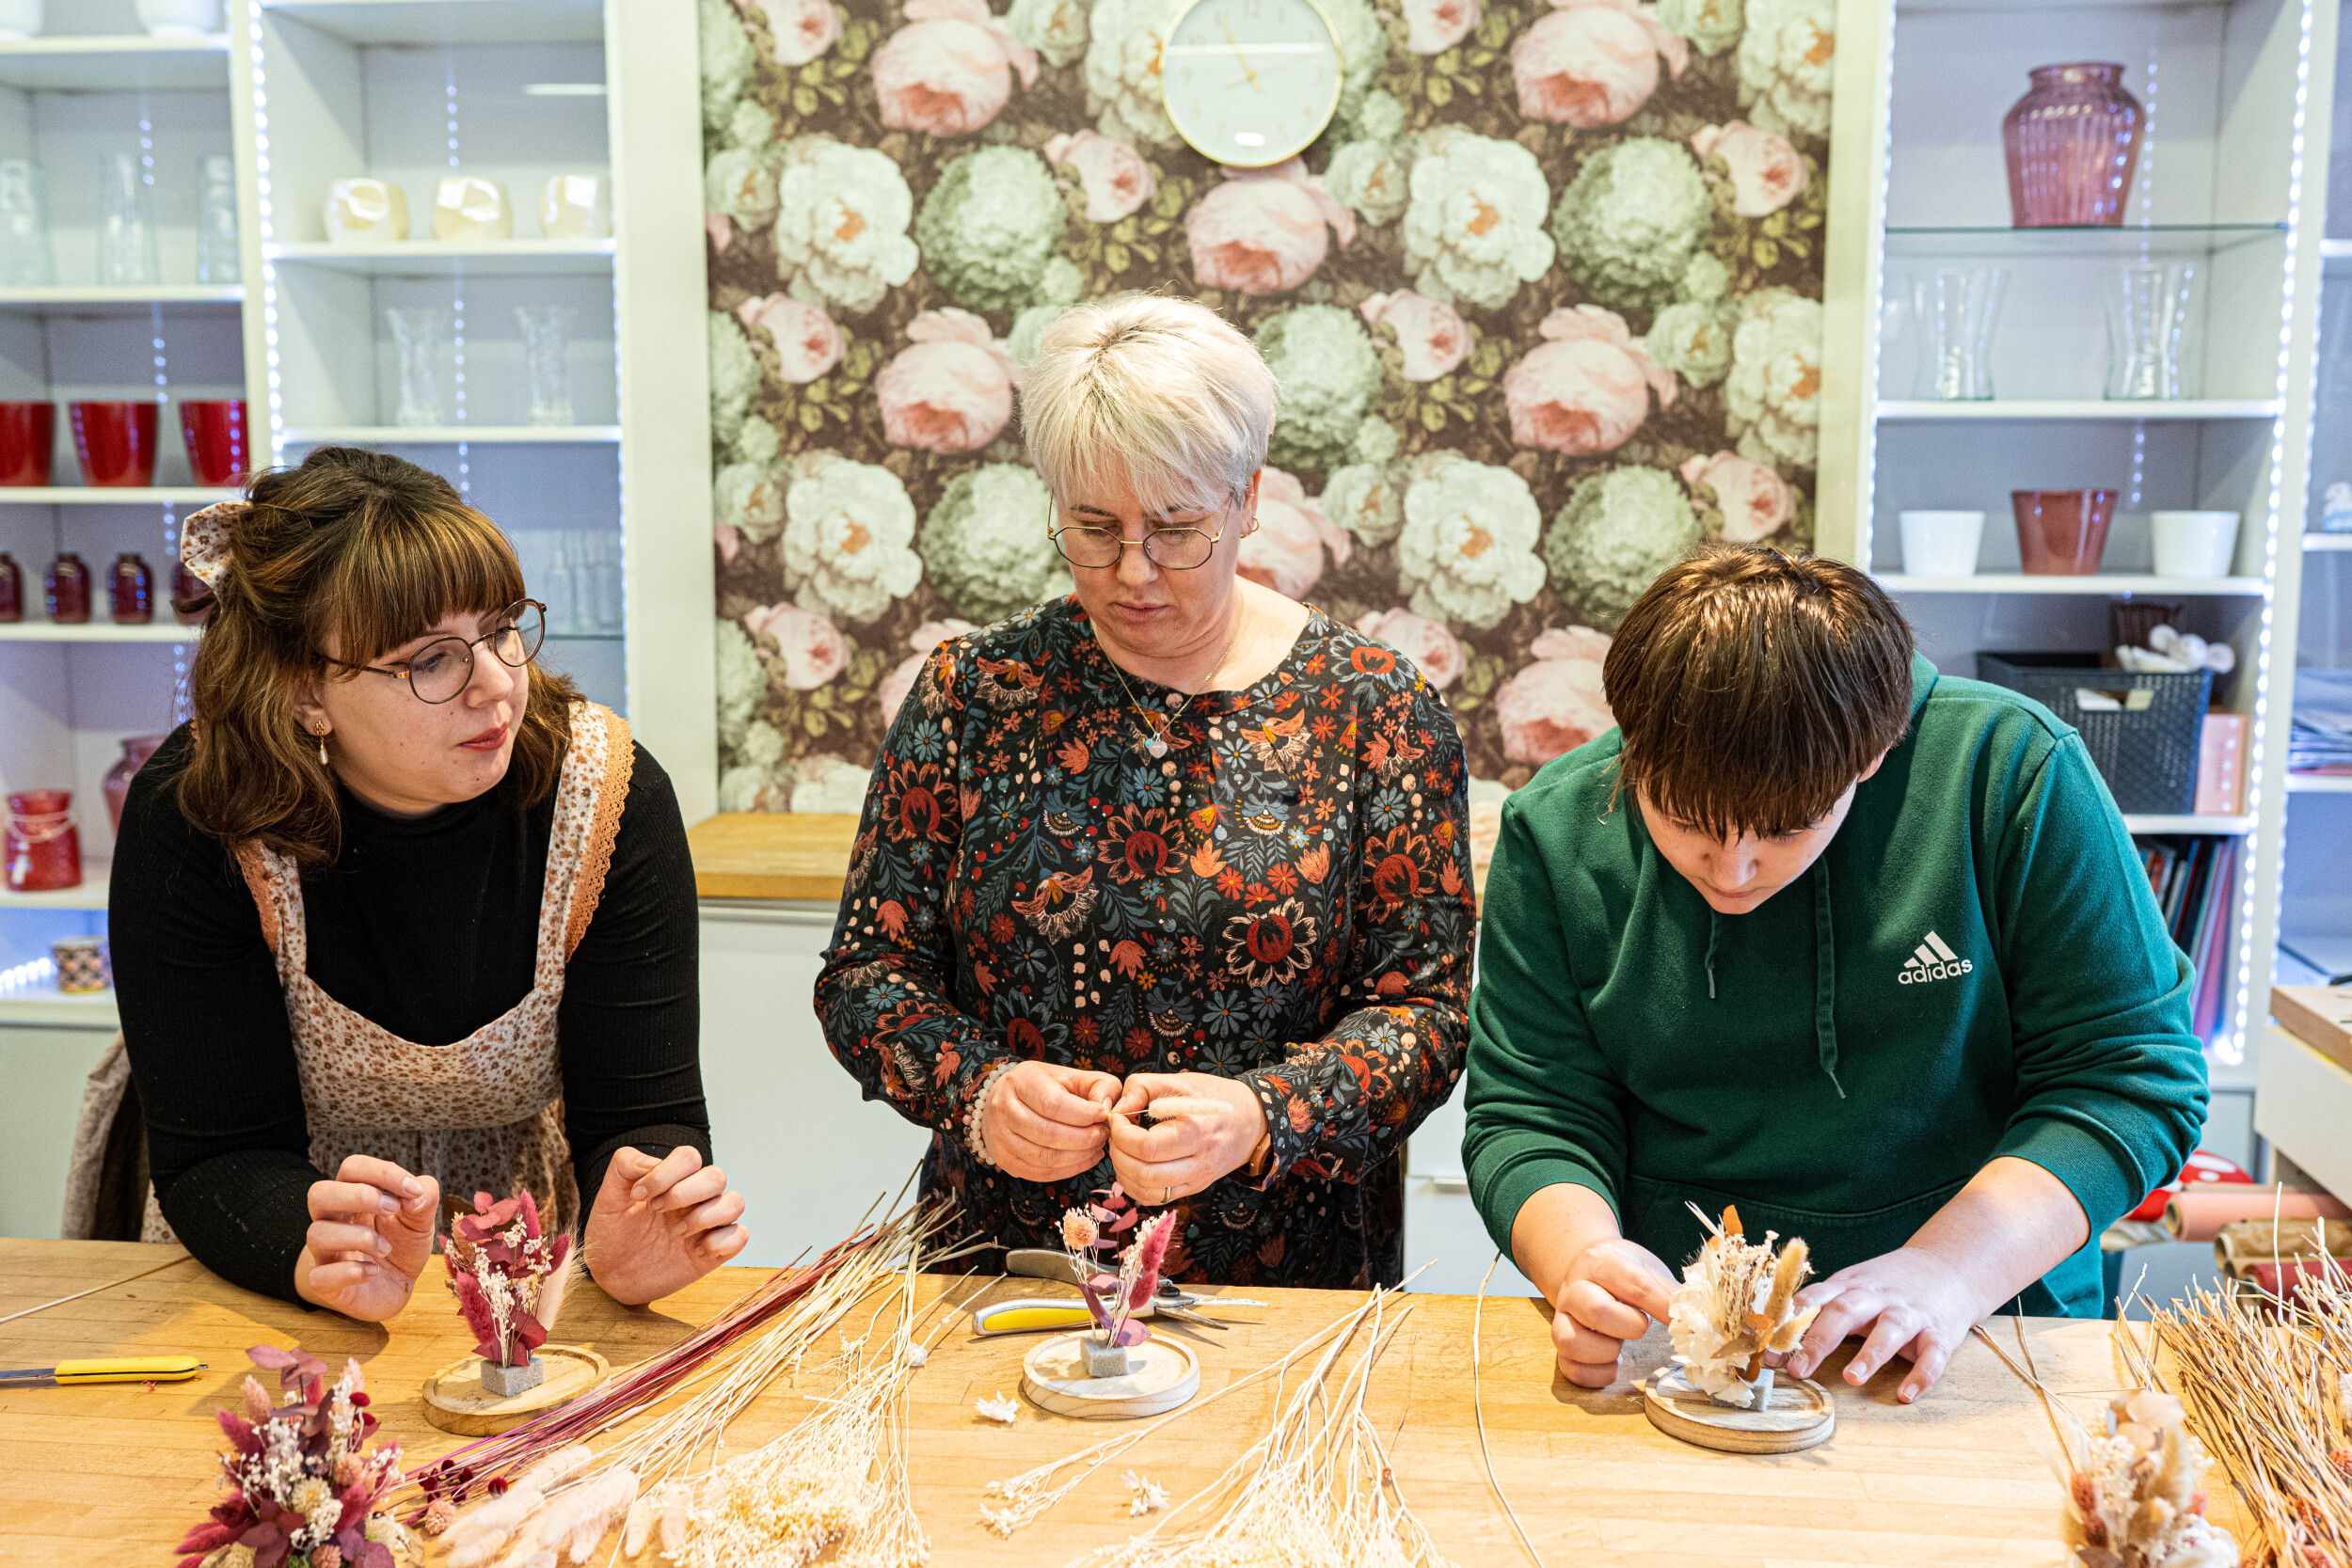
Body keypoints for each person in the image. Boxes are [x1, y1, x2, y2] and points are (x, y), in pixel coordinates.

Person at [815, 293, 1476, 1287]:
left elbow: (1425, 1013)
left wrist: (1266, 1112)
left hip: (1283, 1284)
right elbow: (868, 975)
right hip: (1010, 1269)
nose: (1132, 571)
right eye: (1091, 527)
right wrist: (980, 1092)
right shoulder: (975, 695)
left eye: (1175, 528)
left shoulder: (1372, 708)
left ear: (1247, 499)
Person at [1464, 546, 2207, 1402]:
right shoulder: (1555, 827)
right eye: (1686, 821)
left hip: (1991, 1322)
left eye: (1784, 828)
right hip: (1672, 1348)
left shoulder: (2014, 771)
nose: (1733, 867)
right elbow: (1533, 1110)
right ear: (1634, 749)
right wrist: (1580, 1258)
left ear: (1875, 752)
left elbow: (2129, 1078)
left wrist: (1945, 1271)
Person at [103, 446, 747, 1322]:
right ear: (304, 692)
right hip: (277, 1229)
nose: (497, 685)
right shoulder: (199, 813)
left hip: (523, 1238)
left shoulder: (607, 796)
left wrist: (635, 1224)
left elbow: (643, 1110)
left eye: (502, 629)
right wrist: (312, 1248)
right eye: (430, 660)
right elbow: (219, 1155)